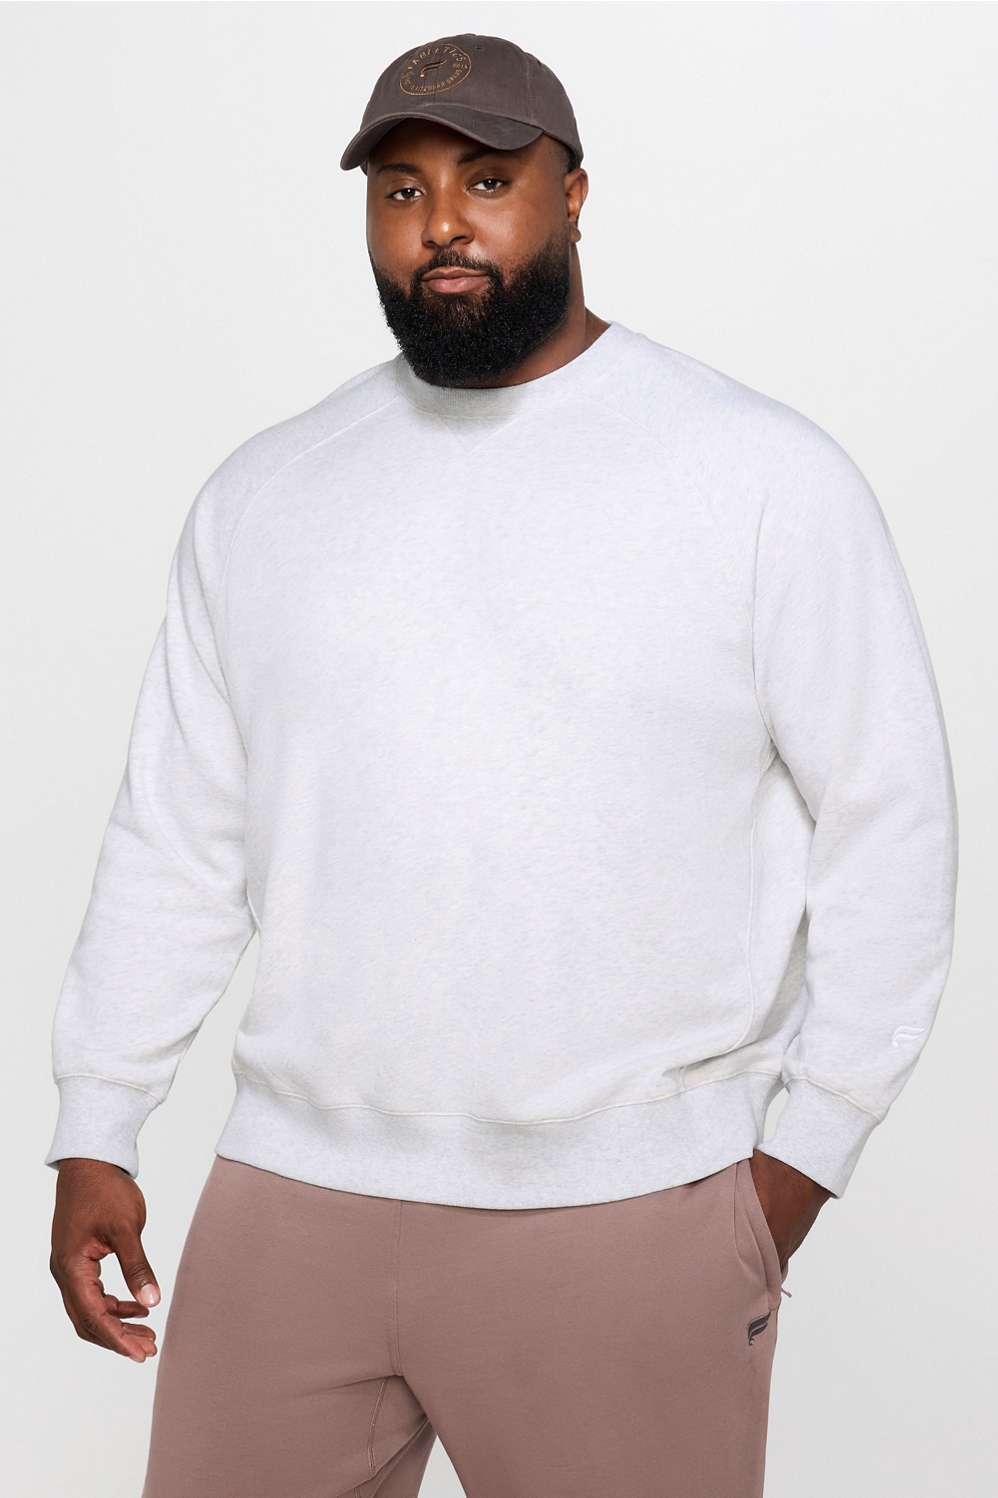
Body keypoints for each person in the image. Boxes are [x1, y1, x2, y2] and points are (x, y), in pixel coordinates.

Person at [47, 32, 957, 1498]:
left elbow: (890, 824)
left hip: (624, 1212)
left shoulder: (758, 478)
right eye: (402, 191)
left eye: (486, 180)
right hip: (290, 1203)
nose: (442, 226)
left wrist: (796, 1167)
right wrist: (98, 1123)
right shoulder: (268, 493)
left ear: (573, 194)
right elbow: (179, 834)